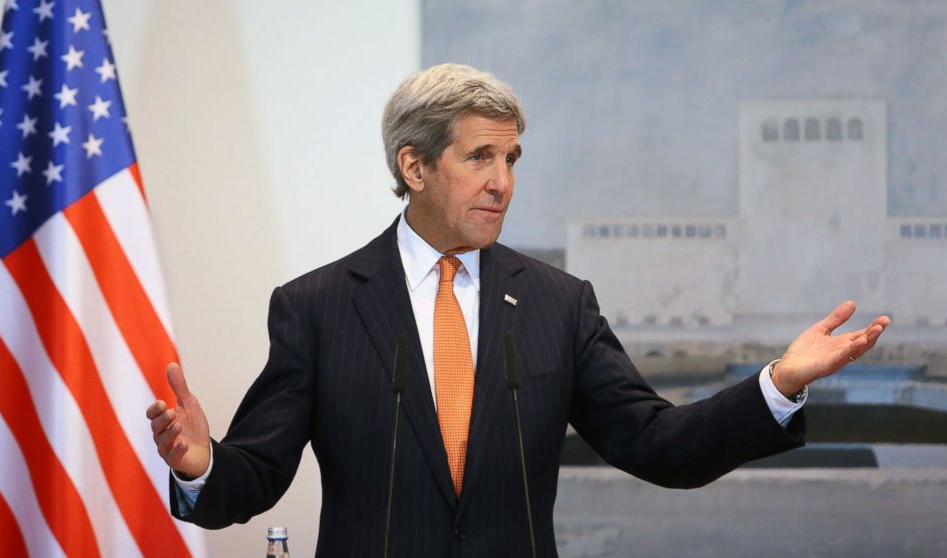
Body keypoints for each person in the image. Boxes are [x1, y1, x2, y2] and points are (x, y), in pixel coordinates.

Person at [146, 63, 890, 557]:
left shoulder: (557, 304)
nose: (503, 181)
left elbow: (662, 446)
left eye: (512, 159)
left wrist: (779, 384)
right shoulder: (317, 307)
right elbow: (255, 477)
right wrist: (201, 461)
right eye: (480, 158)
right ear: (414, 166)